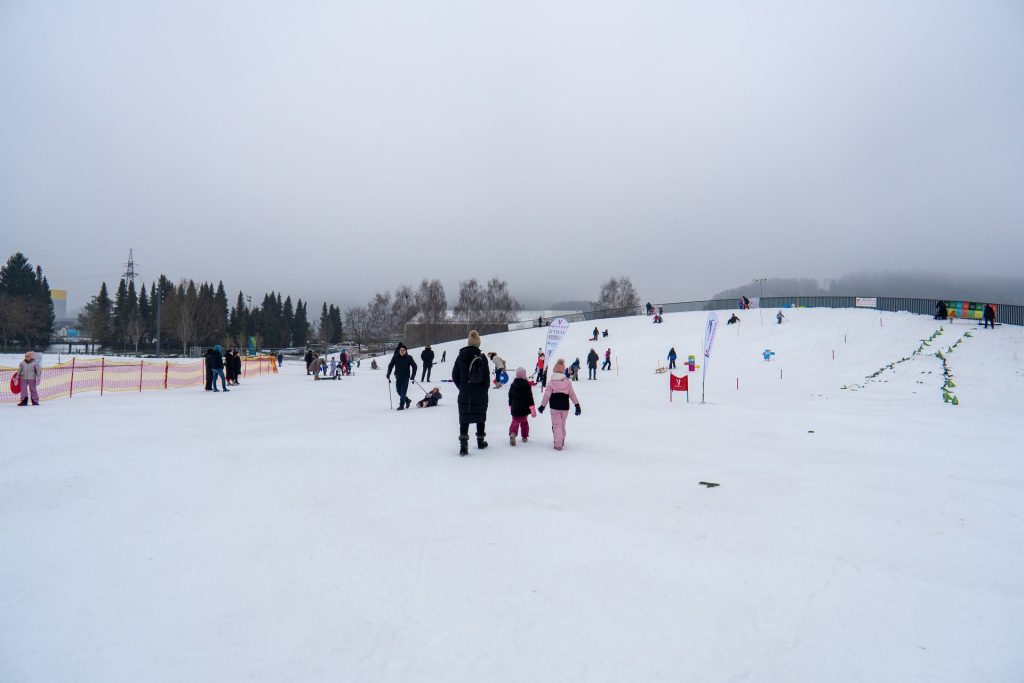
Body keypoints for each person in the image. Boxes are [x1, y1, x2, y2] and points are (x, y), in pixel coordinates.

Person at [452, 330, 489, 455]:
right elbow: (487, 379)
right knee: (480, 416)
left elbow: (454, 375)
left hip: (465, 392)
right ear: (478, 344)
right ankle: (480, 442)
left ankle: (463, 446)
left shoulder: (460, 357)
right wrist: (483, 390)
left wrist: (462, 387)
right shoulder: (482, 358)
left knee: (464, 418)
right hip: (480, 393)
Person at [538, 358, 582, 451]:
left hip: (555, 407)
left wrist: (542, 406)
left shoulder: (551, 382)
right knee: (562, 425)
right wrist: (577, 405)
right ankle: (561, 440)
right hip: (565, 408)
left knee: (556, 425)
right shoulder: (568, 382)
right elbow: (572, 394)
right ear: (562, 371)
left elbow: (546, 395)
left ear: (554, 370)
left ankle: (558, 444)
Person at [507, 367, 536, 446]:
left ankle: (513, 433)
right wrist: (533, 411)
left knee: (515, 421)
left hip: (515, 407)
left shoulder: (513, 385)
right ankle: (524, 436)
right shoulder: (527, 385)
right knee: (524, 422)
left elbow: (510, 396)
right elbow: (530, 398)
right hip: (524, 408)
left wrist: (511, 406)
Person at [386, 343, 418, 410]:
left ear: (406, 351)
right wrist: (388, 373)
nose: (402, 351)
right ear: (399, 350)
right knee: (398, 391)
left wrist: (413, 375)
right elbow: (390, 366)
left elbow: (414, 366)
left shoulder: (409, 358)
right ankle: (407, 400)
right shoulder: (395, 357)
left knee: (403, 392)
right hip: (398, 376)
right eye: (401, 350)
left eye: (403, 350)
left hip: (405, 377)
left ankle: (401, 405)